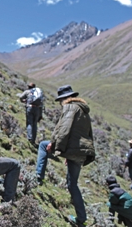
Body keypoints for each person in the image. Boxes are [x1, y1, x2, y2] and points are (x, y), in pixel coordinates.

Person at [35, 85, 95, 227]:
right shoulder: (83, 110)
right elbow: (87, 133)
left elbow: (64, 128)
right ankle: (81, 219)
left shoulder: (70, 107)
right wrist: (71, 153)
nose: (61, 103)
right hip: (81, 152)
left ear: (65, 98)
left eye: (61, 100)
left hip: (72, 149)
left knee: (43, 146)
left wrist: (56, 145)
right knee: (72, 184)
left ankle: (37, 178)